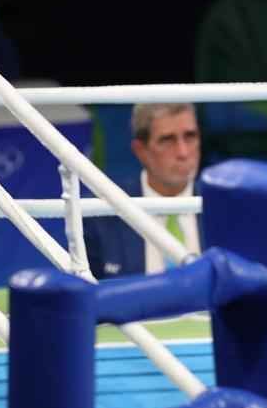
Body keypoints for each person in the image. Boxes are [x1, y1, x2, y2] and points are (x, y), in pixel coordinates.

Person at [83, 103, 202, 279]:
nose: (183, 152)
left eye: (190, 136)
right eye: (167, 140)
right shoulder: (101, 213)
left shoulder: (225, 206)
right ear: (141, 151)